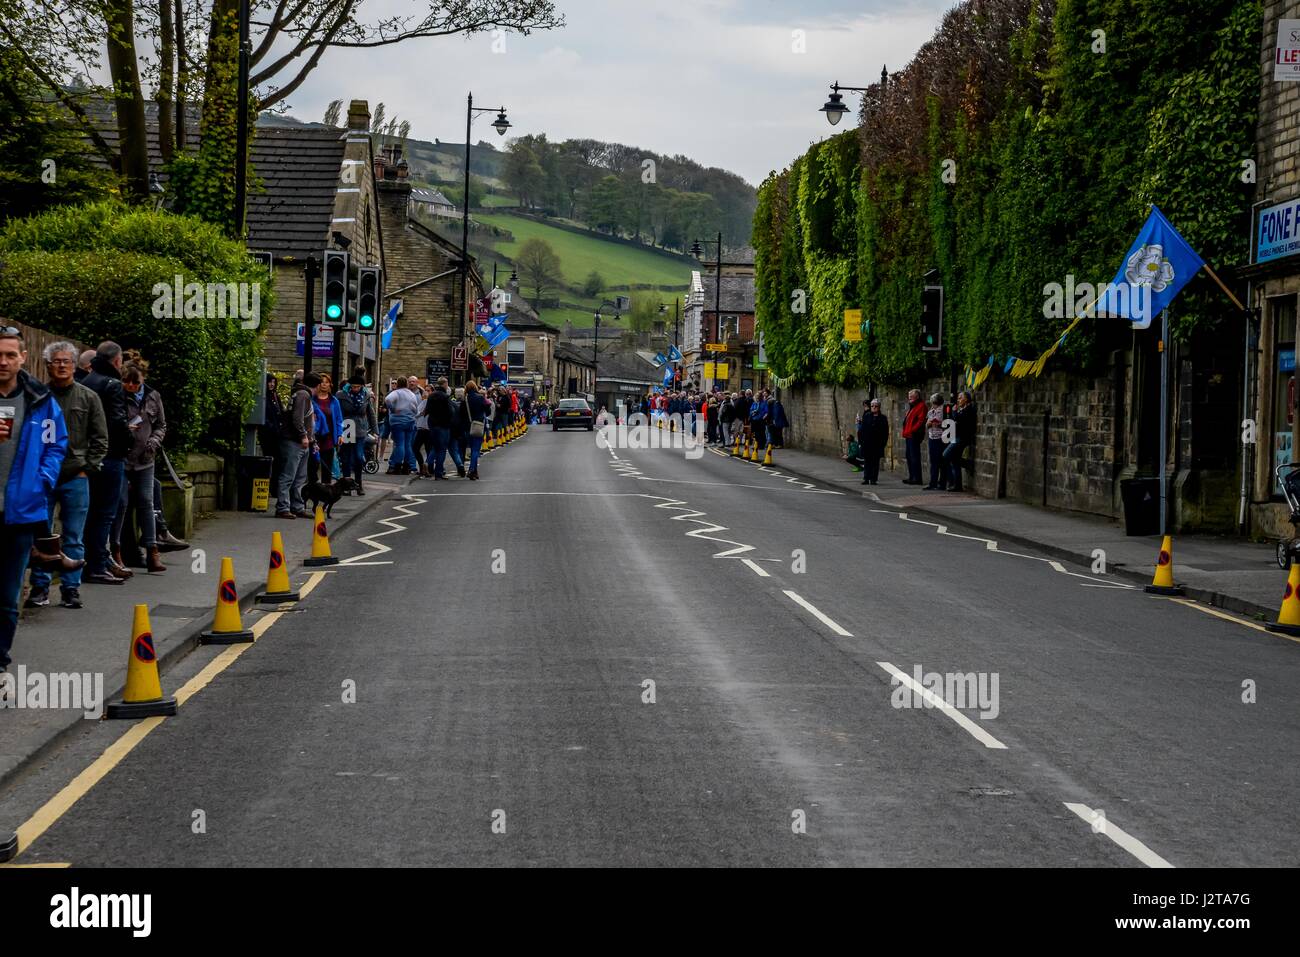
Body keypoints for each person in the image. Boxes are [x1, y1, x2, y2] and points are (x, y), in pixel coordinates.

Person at [0, 327, 68, 674]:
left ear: (23, 358)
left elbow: (56, 444)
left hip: (21, 512)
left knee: (9, 596)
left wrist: (42, 480)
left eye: (10, 355)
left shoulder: (39, 401)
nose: (4, 362)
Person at [25, 341, 107, 610]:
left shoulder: (88, 397)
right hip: (42, 478)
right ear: (47, 366)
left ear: (74, 365)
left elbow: (100, 439)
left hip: (76, 476)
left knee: (73, 535)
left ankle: (71, 589)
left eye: (66, 361)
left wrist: (87, 467)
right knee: (42, 536)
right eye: (55, 361)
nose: (61, 365)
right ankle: (40, 587)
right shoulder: (37, 397)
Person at [80, 341, 133, 584]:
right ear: (117, 361)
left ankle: (87, 562)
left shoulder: (85, 382)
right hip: (110, 456)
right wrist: (129, 439)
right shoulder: (112, 385)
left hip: (87, 456)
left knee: (89, 512)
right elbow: (118, 423)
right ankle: (97, 566)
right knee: (105, 514)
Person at [115, 360, 167, 573]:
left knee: (146, 502)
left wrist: (154, 442)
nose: (130, 386)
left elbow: (161, 425)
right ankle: (116, 551)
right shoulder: (117, 396)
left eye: (135, 382)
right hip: (123, 459)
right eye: (126, 381)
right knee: (121, 504)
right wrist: (125, 428)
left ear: (143, 379)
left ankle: (152, 550)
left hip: (145, 460)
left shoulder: (153, 396)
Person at [276, 372, 317, 519]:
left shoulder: (301, 394)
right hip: (294, 441)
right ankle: (283, 507)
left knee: (300, 478)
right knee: (288, 476)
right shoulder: (303, 395)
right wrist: (304, 436)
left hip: (301, 442)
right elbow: (297, 418)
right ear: (316, 386)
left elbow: (307, 420)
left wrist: (312, 439)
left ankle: (297, 506)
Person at [337, 372, 375, 494]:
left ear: (362, 386)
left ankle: (359, 484)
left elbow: (371, 413)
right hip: (347, 425)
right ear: (349, 385)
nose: (355, 389)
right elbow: (338, 413)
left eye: (358, 387)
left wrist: (375, 431)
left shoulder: (366, 395)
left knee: (359, 457)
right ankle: (347, 486)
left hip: (360, 427)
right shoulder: (341, 395)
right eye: (353, 386)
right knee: (346, 458)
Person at [308, 372, 342, 485]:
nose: (324, 384)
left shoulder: (334, 401)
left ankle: (326, 489)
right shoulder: (312, 399)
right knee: (313, 465)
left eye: (326, 382)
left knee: (327, 466)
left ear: (330, 385)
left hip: (328, 437)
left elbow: (338, 420)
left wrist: (339, 435)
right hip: (315, 437)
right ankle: (313, 488)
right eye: (322, 382)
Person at [384, 376, 419, 475]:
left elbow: (387, 400)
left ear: (398, 383)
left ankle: (397, 466)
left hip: (397, 422)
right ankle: (406, 467)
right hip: (410, 421)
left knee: (399, 444)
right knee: (407, 444)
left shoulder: (396, 393)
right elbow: (415, 408)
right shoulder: (411, 394)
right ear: (407, 383)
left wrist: (393, 409)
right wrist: (411, 413)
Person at [946, 389, 977, 492]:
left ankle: (967, 463)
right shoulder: (962, 409)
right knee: (954, 461)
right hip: (957, 436)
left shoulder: (969, 409)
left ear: (967, 399)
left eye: (960, 398)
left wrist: (954, 411)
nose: (958, 400)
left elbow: (960, 419)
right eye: (958, 398)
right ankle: (957, 485)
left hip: (962, 438)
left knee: (946, 454)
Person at [260, 373, 285, 498]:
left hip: (277, 435)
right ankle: (270, 488)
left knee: (278, 462)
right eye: (270, 382)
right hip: (268, 435)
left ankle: (275, 489)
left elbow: (281, 413)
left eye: (274, 382)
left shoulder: (275, 396)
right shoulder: (263, 398)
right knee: (270, 461)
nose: (272, 384)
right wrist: (272, 428)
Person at [458, 379, 488, 480]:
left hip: (467, 427)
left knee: (471, 448)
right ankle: (471, 470)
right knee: (476, 450)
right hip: (478, 426)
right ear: (475, 387)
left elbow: (461, 414)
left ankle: (474, 472)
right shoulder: (480, 398)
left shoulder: (464, 399)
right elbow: (487, 411)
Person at [425, 377, 454, 480]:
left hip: (433, 425)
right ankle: (438, 473)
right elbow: (451, 412)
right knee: (442, 450)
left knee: (435, 447)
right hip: (443, 426)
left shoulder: (431, 396)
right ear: (444, 384)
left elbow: (426, 410)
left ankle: (427, 464)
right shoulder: (445, 397)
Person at [858, 397, 888, 485]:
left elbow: (885, 432)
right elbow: (861, 430)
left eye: (876, 406)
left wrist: (883, 443)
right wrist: (861, 442)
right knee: (867, 461)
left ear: (879, 407)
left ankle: (874, 479)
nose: (874, 407)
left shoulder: (883, 418)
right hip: (866, 443)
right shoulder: (867, 416)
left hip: (877, 444)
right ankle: (866, 478)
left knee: (875, 462)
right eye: (872, 406)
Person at [901, 388, 926, 485]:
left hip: (914, 435)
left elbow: (920, 421)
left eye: (912, 397)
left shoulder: (921, 406)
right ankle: (912, 477)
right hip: (909, 435)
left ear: (917, 397)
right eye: (909, 397)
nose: (909, 398)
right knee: (909, 456)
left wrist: (912, 430)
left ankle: (917, 478)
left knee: (914, 457)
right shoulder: (912, 406)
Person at [924, 392, 947, 490]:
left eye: (934, 402)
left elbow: (940, 423)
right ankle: (933, 482)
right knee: (933, 461)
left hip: (940, 438)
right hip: (932, 437)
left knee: (940, 462)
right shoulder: (930, 411)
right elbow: (928, 424)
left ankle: (941, 483)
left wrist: (934, 423)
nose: (933, 404)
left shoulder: (943, 411)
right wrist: (931, 423)